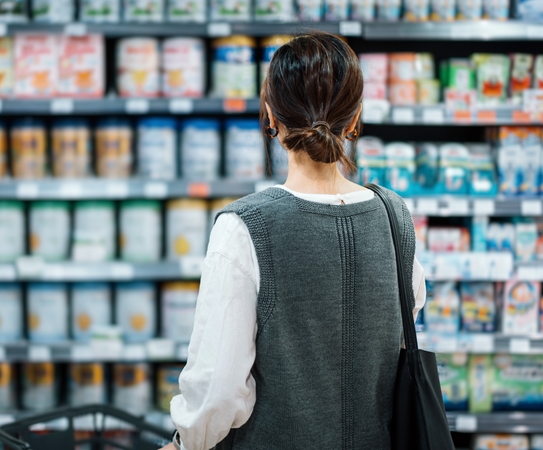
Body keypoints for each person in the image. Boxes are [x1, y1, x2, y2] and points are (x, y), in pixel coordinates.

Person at [160, 31, 427, 450]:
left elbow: (219, 389)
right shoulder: (395, 216)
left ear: (270, 115)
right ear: (355, 120)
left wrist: (183, 443)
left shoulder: (245, 227)